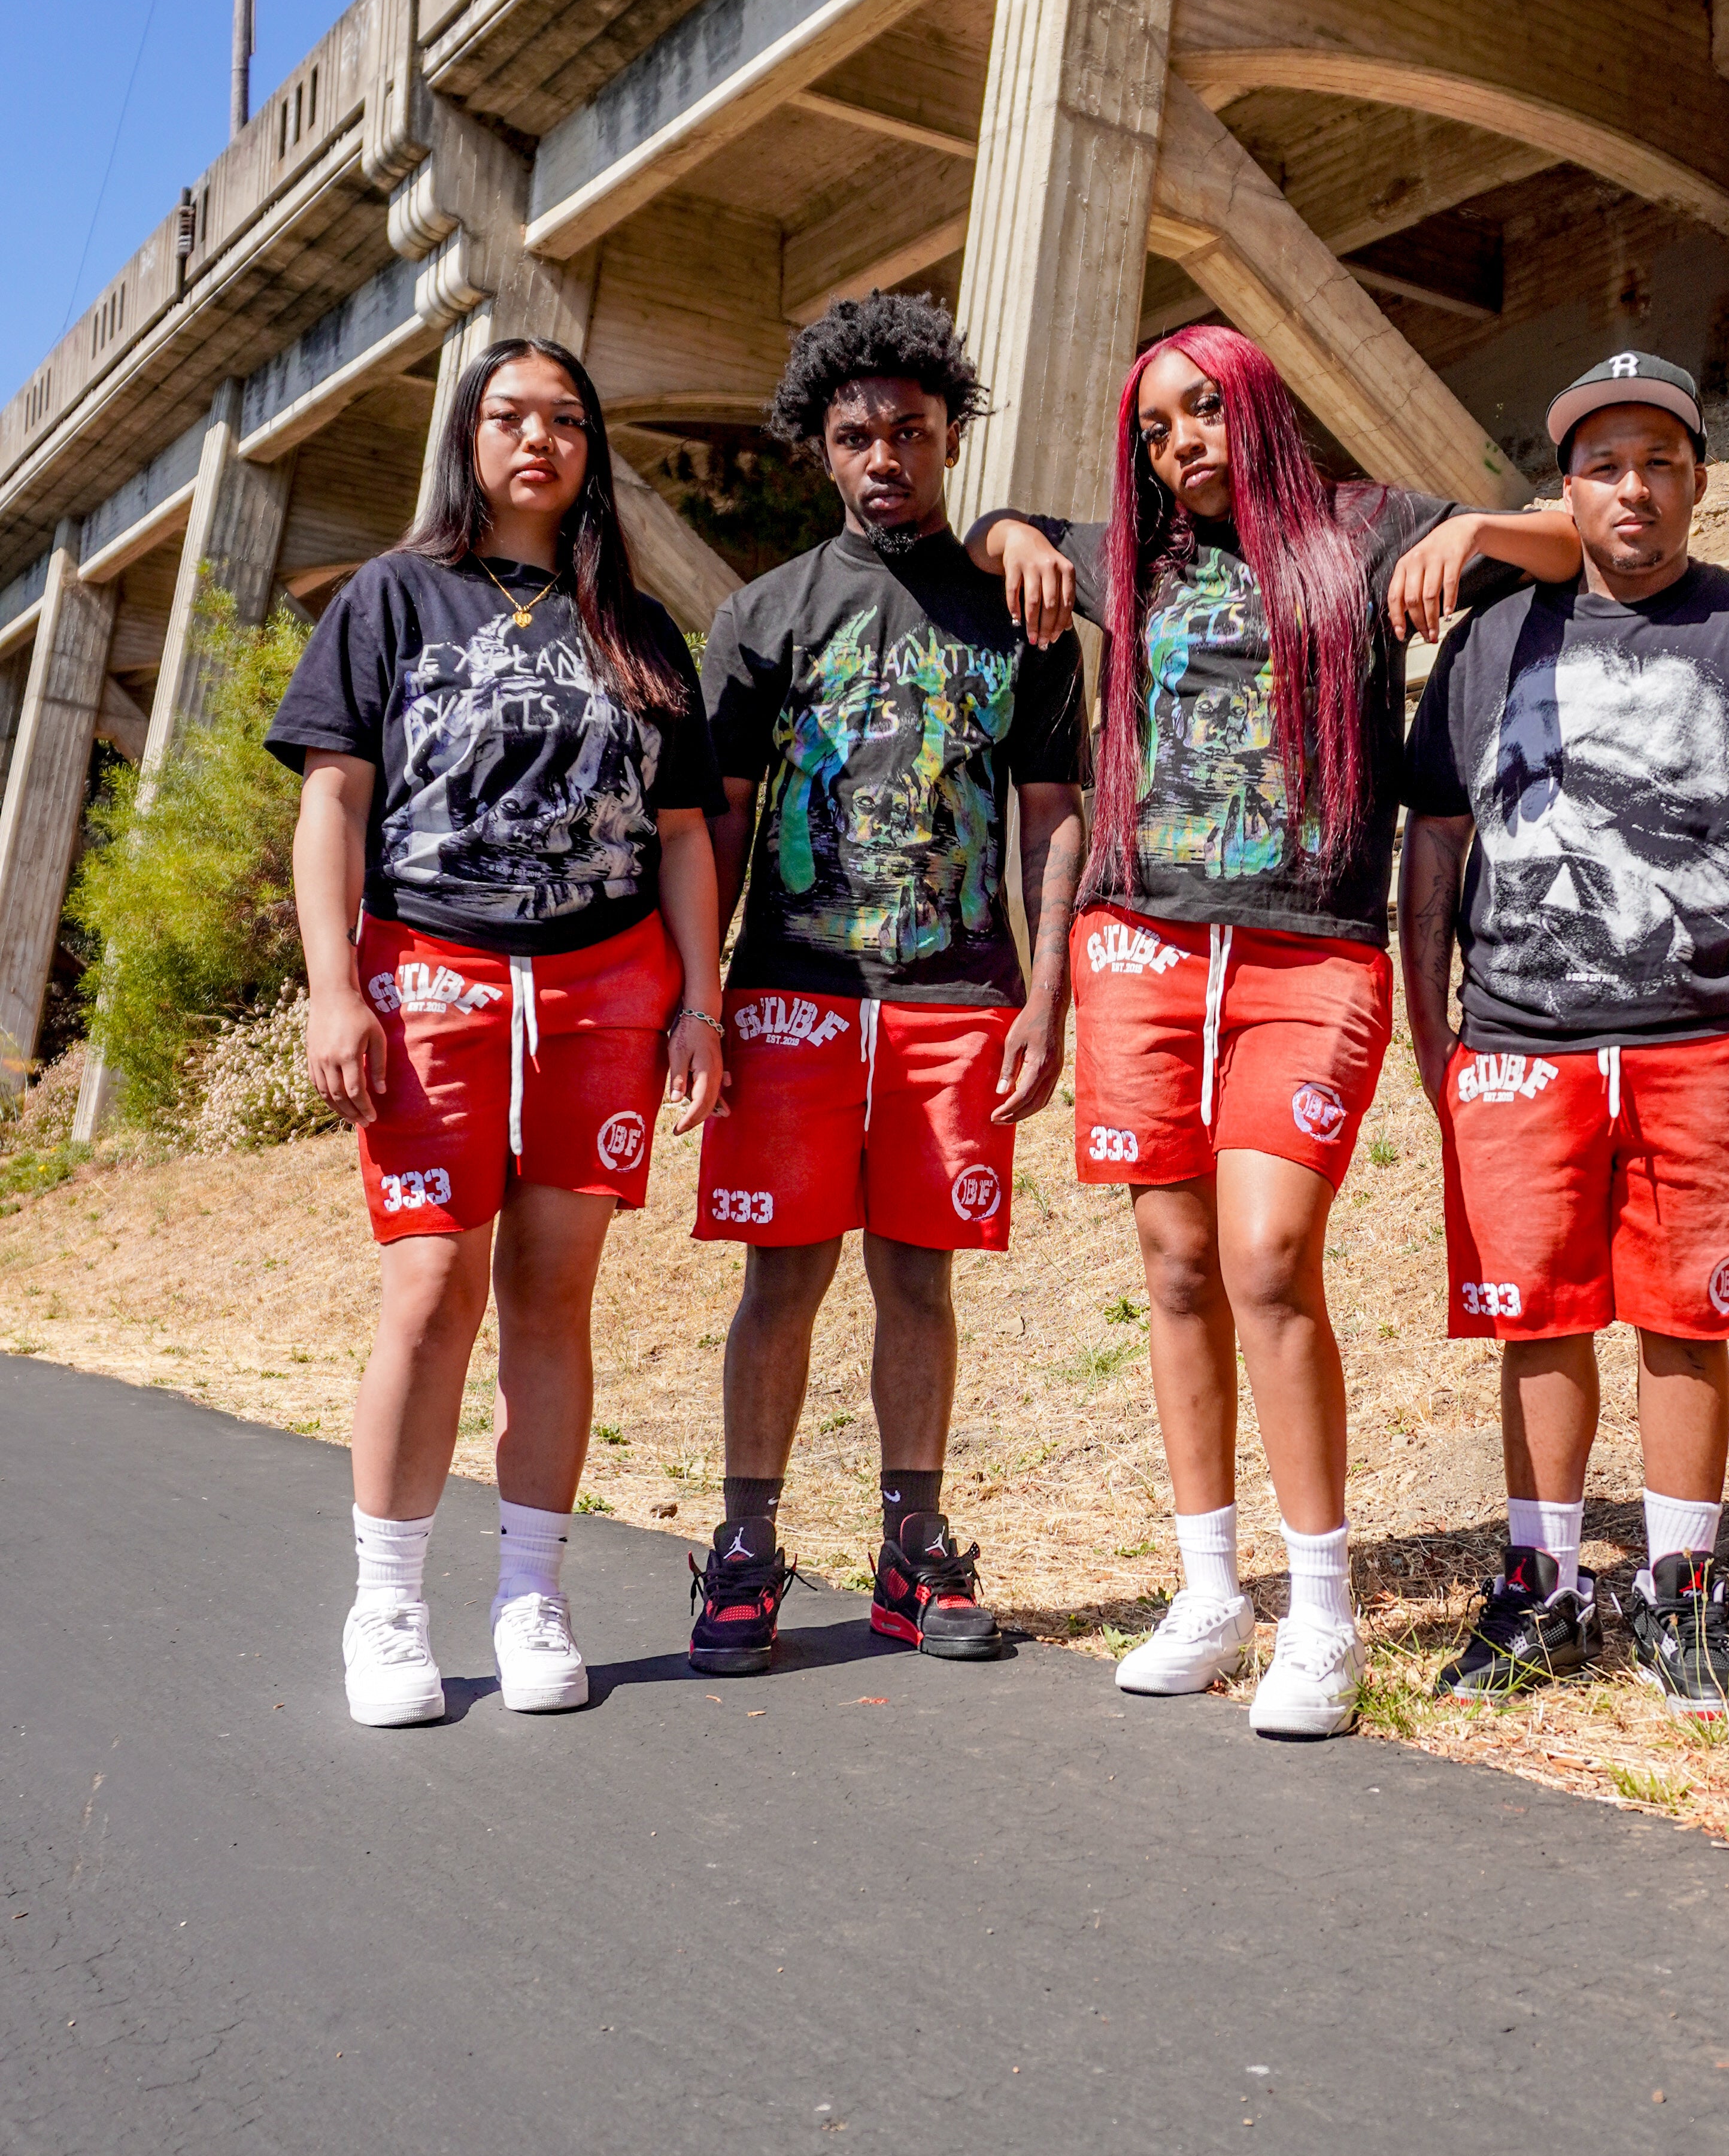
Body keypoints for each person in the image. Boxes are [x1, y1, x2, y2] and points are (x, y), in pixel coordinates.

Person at [969, 325, 1579, 1739]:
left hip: (1308, 949)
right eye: (1155, 427)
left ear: (1255, 407)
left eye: (1202, 411)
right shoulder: (1130, 558)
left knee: (1263, 1258)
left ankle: (1322, 1610)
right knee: (1175, 1263)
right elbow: (996, 527)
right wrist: (1013, 534)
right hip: (1142, 940)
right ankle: (1206, 1588)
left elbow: (1561, 545)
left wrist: (1479, 524)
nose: (1181, 442)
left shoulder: (1365, 531)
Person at [1400, 350, 1729, 1708]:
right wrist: (1427, 1021)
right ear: (1567, 487)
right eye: (1604, 464)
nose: (1633, 488)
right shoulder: (1490, 641)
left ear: (1697, 482)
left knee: (1684, 1322)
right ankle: (1541, 1586)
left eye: (1658, 462)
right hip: (1519, 1036)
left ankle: (1679, 1587)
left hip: (1704, 1036)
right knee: (1535, 1321)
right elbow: (1435, 836)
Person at [275, 339, 725, 1730]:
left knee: (552, 1297)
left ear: (591, 450)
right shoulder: (390, 599)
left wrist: (698, 1002)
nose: (540, 440)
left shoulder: (636, 631)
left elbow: (685, 834)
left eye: (568, 421)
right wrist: (333, 985)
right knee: (429, 1293)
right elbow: (334, 804)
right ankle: (389, 1604)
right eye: (510, 417)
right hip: (433, 981)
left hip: (603, 992)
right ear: (467, 438)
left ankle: (531, 1590)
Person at [689, 293, 1087, 1670]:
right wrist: (701, 1003)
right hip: (792, 993)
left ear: (951, 437)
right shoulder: (760, 616)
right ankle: (745, 1546)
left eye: (909, 433)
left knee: (919, 1281)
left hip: (954, 1000)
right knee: (779, 1279)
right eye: (855, 435)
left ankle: (913, 1552)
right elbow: (721, 824)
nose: (883, 459)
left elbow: (1053, 815)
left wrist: (1050, 995)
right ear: (820, 447)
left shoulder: (1016, 614)